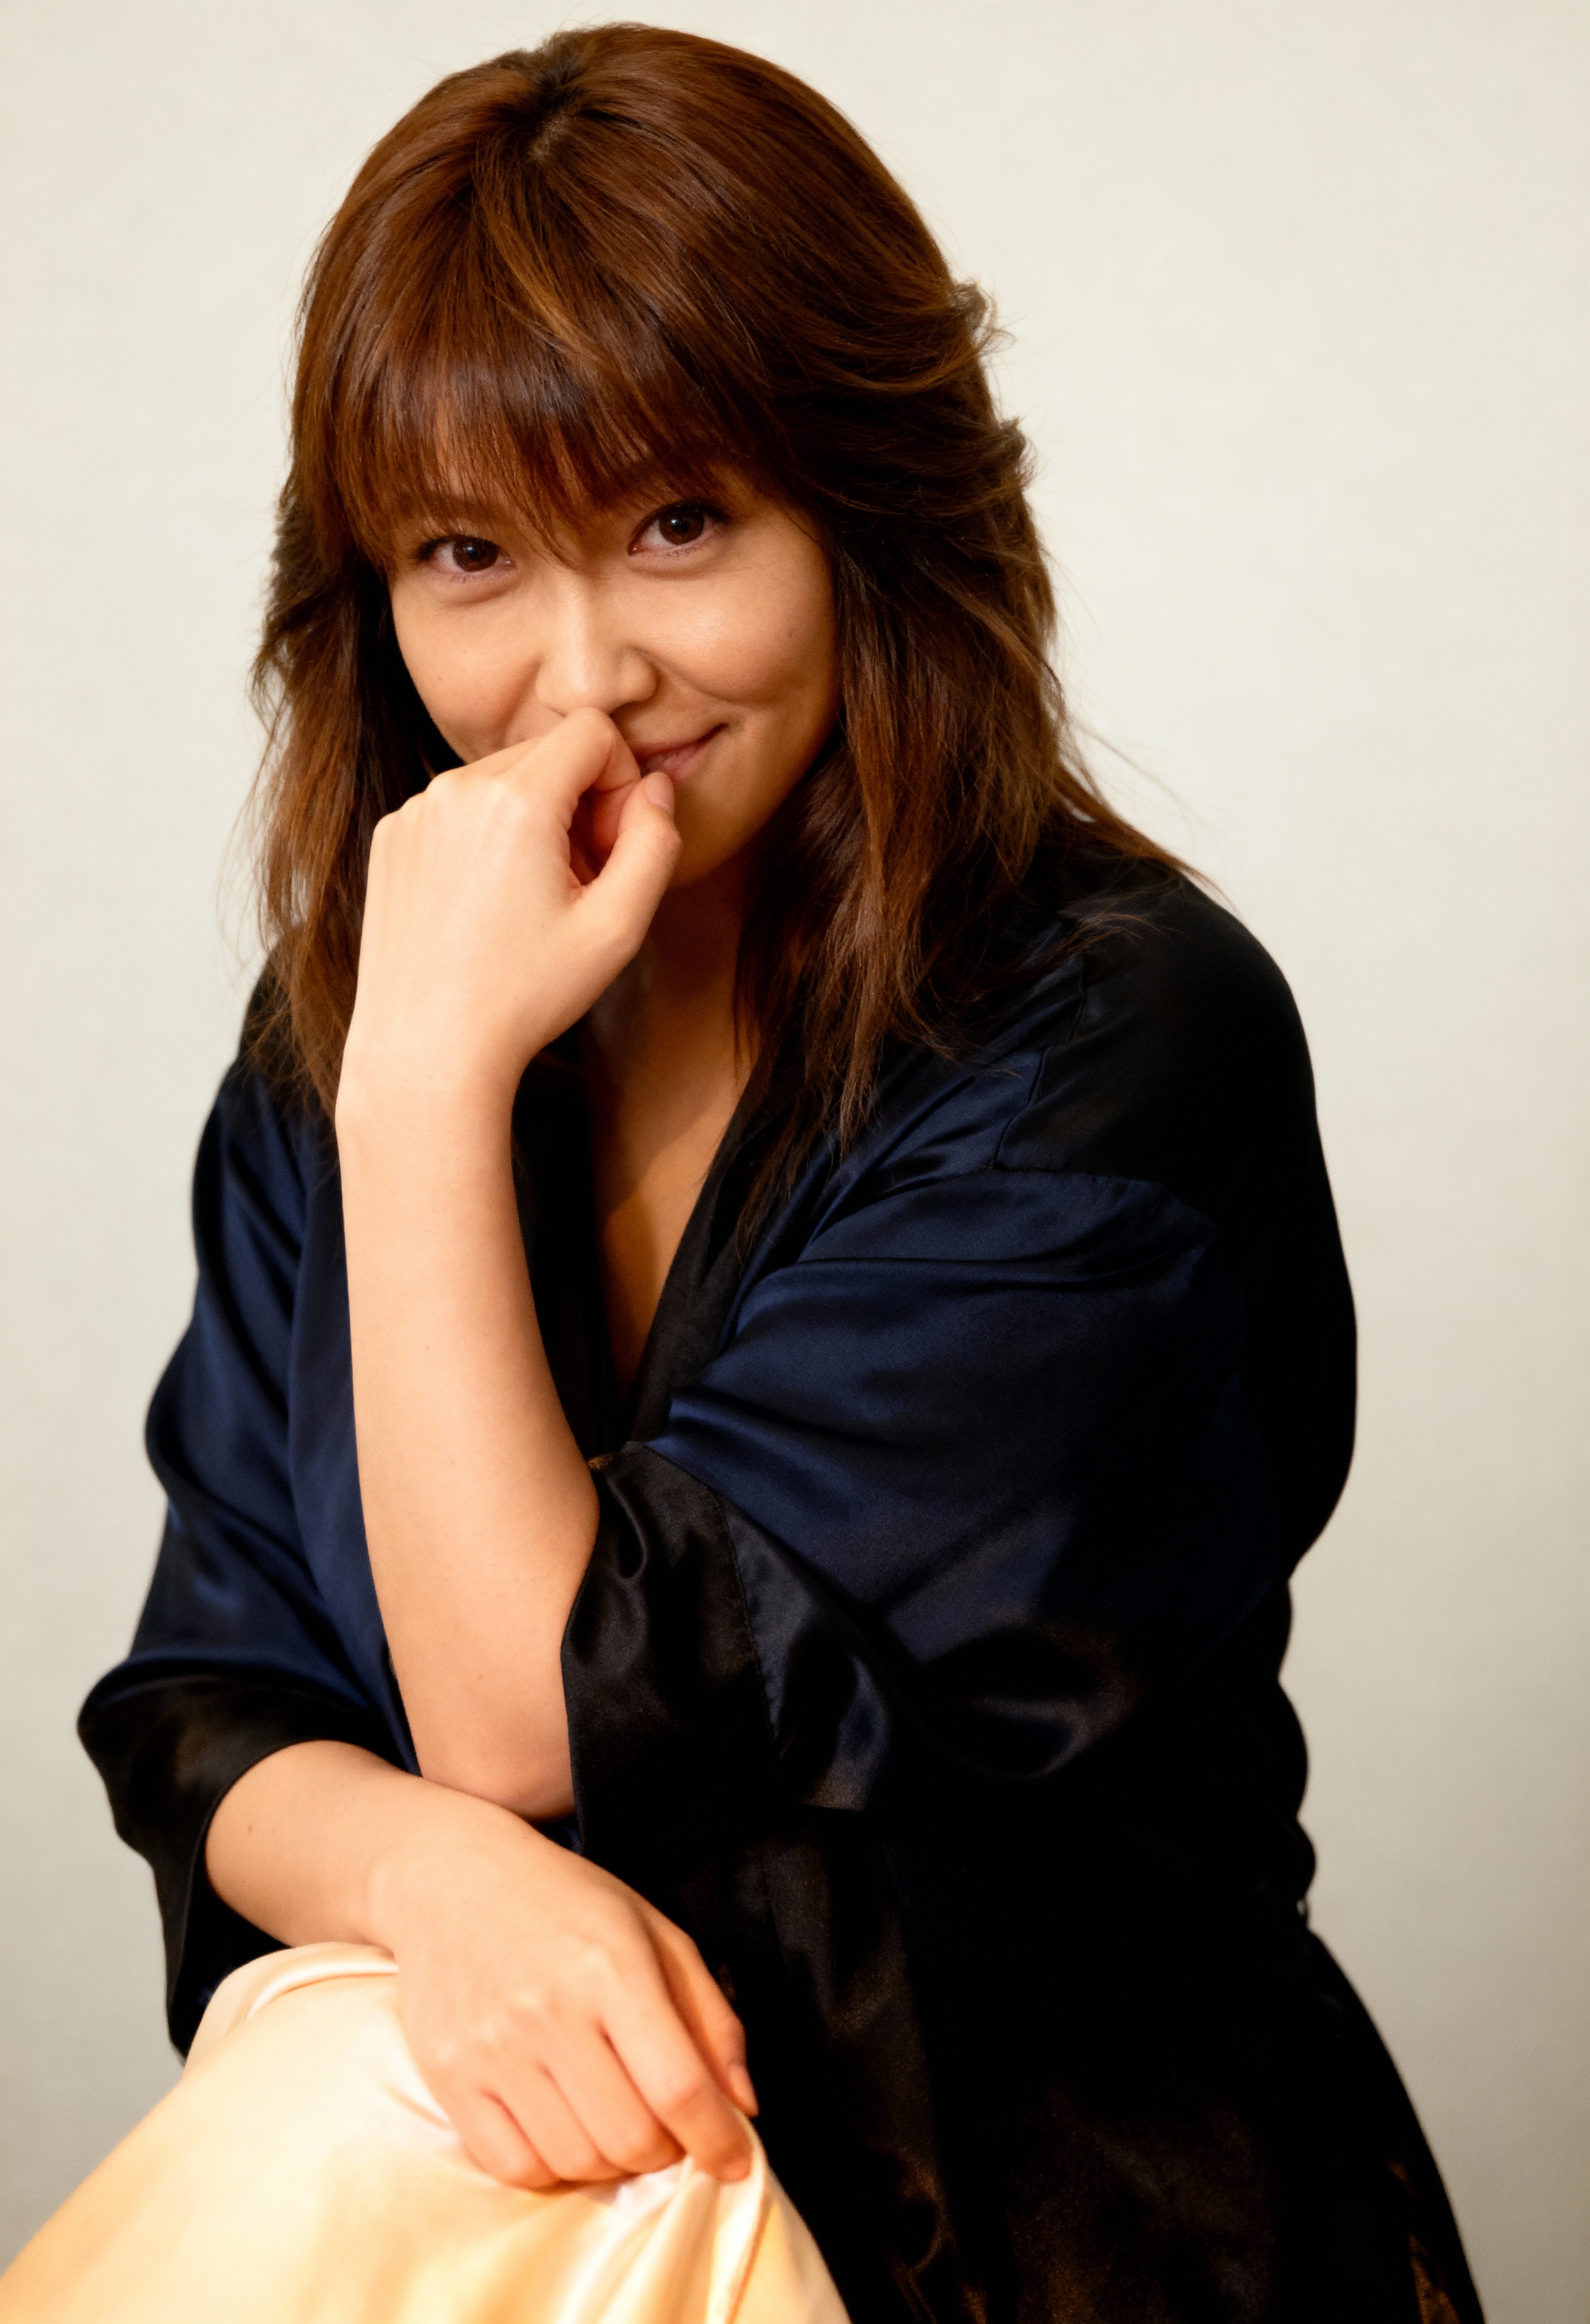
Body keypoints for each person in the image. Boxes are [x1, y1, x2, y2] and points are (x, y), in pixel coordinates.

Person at [15, 25, 1482, 2322]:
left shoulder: (1115, 1045)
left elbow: (542, 1703)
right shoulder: (361, 1043)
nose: (581, 674)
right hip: (527, 2222)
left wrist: (421, 1096)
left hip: (1048, 2245)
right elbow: (211, 1708)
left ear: (865, 515)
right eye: (469, 554)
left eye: (679, 524)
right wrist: (429, 1880)